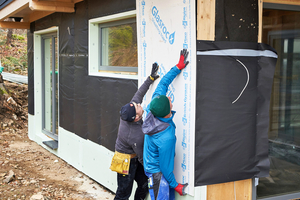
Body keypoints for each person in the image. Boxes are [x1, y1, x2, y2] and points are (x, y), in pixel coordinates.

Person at [142, 49, 189, 200]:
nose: (169, 97)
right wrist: (176, 185)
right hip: (157, 174)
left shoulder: (153, 107)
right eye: (169, 100)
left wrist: (178, 67)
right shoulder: (165, 136)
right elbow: (165, 167)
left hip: (155, 165)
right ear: (168, 111)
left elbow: (163, 83)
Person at [113, 63, 160, 200]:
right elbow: (141, 157)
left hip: (134, 155)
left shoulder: (130, 112)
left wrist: (150, 78)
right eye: (138, 106)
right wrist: (153, 169)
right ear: (137, 118)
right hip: (125, 160)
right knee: (123, 193)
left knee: (144, 184)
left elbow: (139, 94)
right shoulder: (134, 135)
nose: (139, 104)